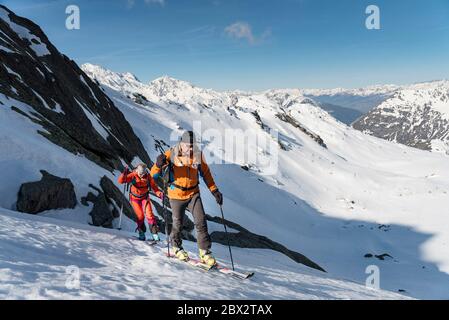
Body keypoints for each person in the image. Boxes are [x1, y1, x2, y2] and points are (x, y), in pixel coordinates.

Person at [150, 131, 223, 267]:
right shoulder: (170, 154)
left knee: (201, 222)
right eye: (188, 145)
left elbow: (206, 173)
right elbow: (153, 174)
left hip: (193, 194)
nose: (191, 148)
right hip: (176, 195)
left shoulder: (197, 154)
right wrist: (158, 164)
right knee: (178, 224)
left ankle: (205, 252)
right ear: (181, 144)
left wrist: (215, 191)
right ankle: (177, 247)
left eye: (192, 145)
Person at [118, 163, 163, 241]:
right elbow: (121, 181)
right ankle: (141, 234)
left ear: (145, 171)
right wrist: (124, 173)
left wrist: (159, 194)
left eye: (143, 173)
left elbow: (154, 187)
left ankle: (155, 235)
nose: (142, 175)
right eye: (140, 173)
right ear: (137, 170)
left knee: (150, 215)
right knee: (140, 216)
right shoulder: (133, 175)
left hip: (145, 198)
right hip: (135, 199)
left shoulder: (148, 177)